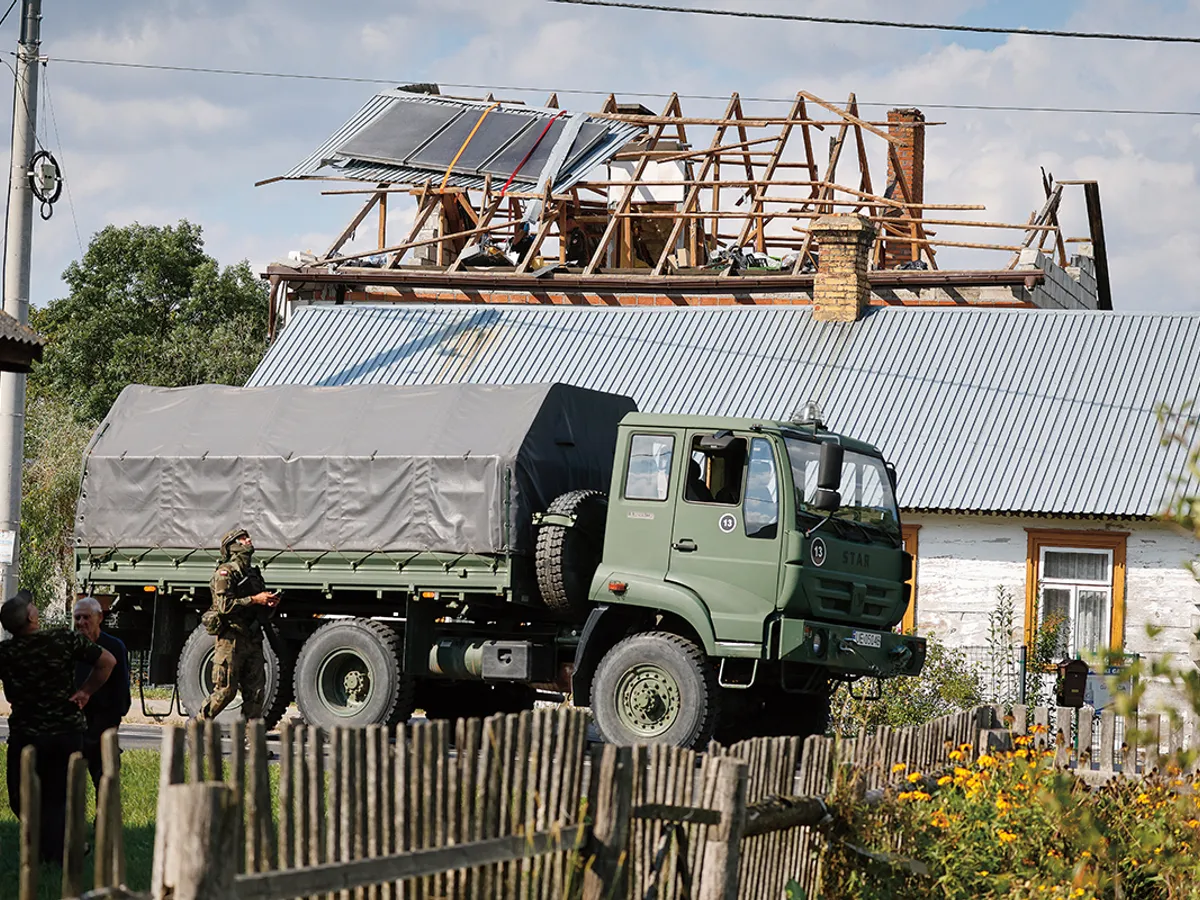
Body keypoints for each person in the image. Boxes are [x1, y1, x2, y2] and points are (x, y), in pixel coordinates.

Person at [0, 590, 115, 862]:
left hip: (25, 733)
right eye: (32, 606)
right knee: (59, 795)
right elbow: (107, 662)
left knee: (20, 794)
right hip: (65, 732)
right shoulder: (63, 639)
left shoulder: (5, 653)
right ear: (31, 617)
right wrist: (86, 691)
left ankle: (49, 849)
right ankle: (60, 847)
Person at [199, 528, 280, 720]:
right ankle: (198, 724)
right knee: (226, 691)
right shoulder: (225, 572)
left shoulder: (253, 574)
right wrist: (254, 599)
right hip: (231, 639)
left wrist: (267, 602)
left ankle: (252, 737)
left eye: (247, 537)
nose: (248, 540)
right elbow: (224, 606)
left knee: (256, 693)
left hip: (252, 637)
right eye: (242, 539)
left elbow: (258, 604)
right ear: (232, 546)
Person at [73, 596, 131, 789]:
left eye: (86, 617)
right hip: (76, 722)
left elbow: (121, 690)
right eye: (77, 617)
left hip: (104, 721)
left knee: (106, 780)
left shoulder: (114, 646)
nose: (81, 622)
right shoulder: (71, 645)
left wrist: (113, 721)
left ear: (99, 618)